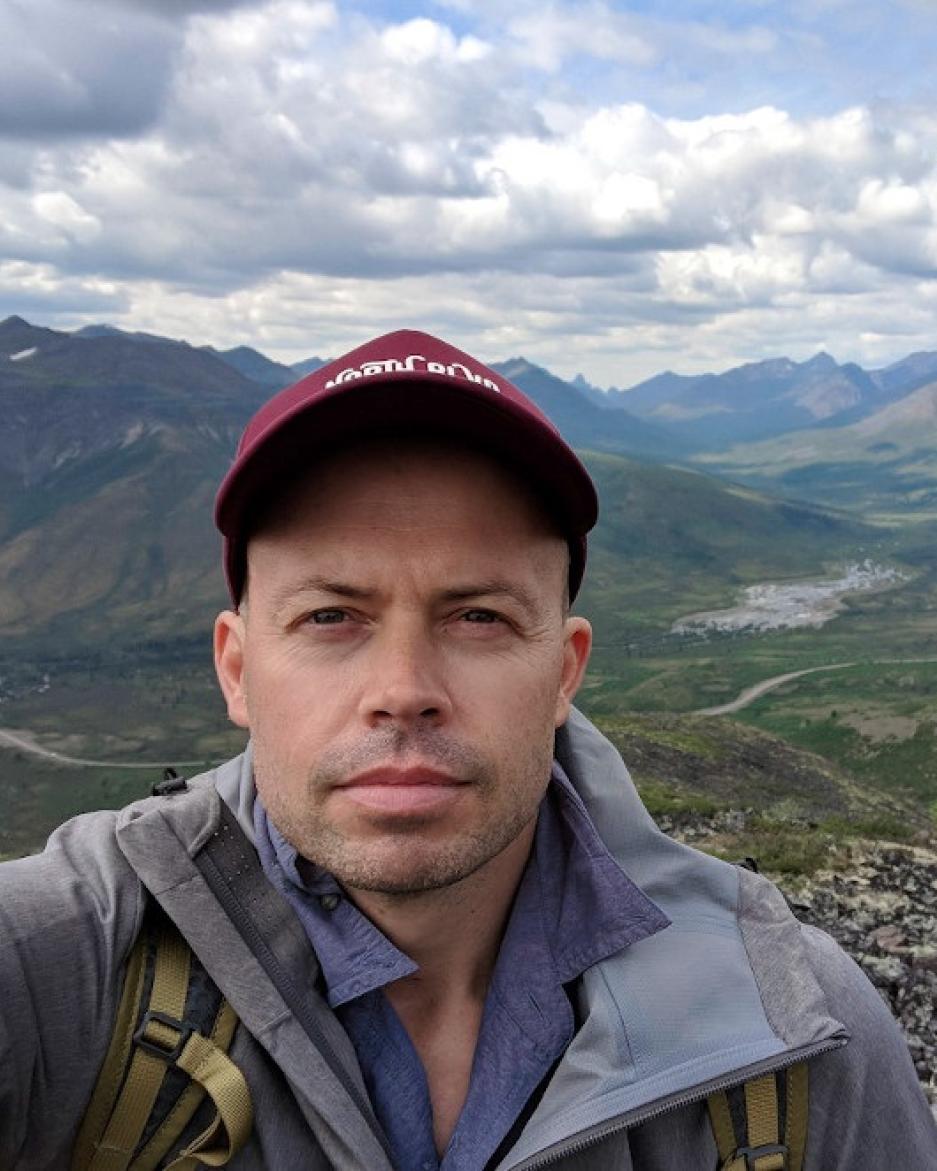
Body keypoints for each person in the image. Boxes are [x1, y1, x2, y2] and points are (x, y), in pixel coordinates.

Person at [0, 329, 934, 1171]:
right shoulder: (61, 967)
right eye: (330, 616)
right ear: (237, 670)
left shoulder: (802, 1030)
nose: (402, 686)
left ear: (564, 671)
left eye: (479, 616)